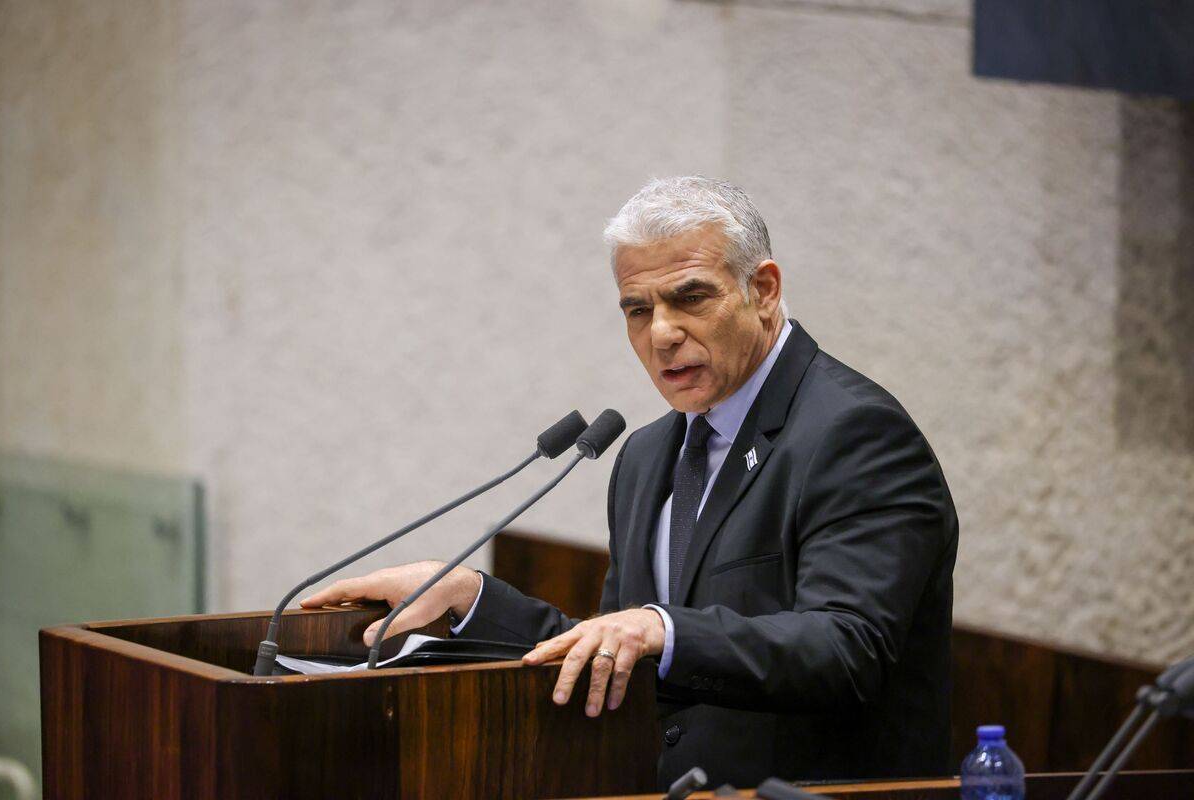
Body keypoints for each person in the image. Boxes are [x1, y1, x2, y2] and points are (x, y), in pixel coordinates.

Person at [301, 176, 959, 788]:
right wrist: (469, 597)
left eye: (690, 297)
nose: (662, 333)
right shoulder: (647, 456)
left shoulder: (853, 433)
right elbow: (621, 653)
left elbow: (845, 650)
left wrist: (662, 630)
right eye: (637, 309)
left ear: (763, 290)